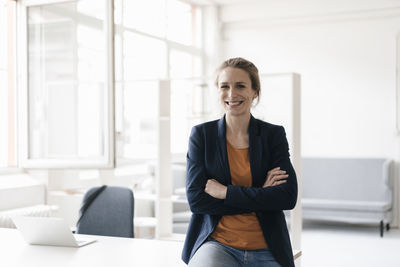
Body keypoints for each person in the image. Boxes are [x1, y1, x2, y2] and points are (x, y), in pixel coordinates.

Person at [181, 57, 298, 267]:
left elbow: (287, 197)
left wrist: (227, 192)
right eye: (224, 86)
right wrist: (261, 194)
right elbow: (197, 201)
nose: (232, 94)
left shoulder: (273, 135)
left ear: (255, 92)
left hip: (268, 246)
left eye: (240, 86)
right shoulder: (202, 135)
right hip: (218, 244)